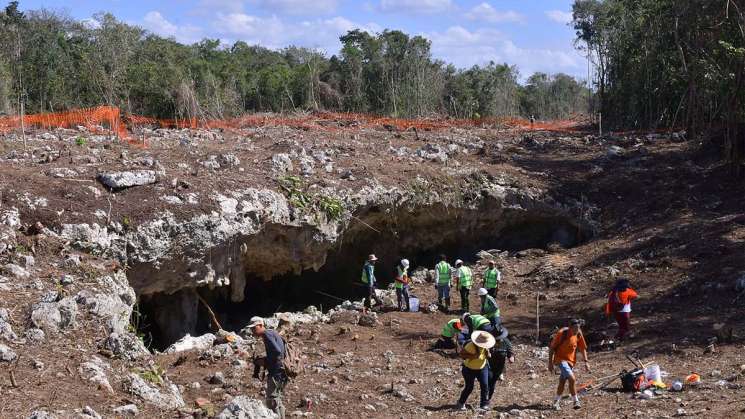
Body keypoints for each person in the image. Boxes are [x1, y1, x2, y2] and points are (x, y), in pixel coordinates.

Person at [248, 316, 287, 418]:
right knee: (277, 400)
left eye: (254, 328)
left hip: (277, 371)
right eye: (251, 329)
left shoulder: (266, 334)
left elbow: (277, 352)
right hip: (282, 370)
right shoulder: (272, 332)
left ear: (261, 325)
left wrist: (265, 361)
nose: (252, 331)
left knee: (272, 400)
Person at [548, 319, 590, 410]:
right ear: (570, 327)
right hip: (560, 359)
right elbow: (552, 348)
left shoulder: (578, 333)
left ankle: (556, 402)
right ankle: (576, 401)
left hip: (571, 361)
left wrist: (586, 362)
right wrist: (550, 363)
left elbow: (582, 348)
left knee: (562, 382)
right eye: (574, 328)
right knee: (572, 378)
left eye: (578, 328)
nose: (576, 330)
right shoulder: (562, 333)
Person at [456, 331, 495, 411]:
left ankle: (484, 404)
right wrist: (473, 356)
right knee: (469, 387)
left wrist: (488, 354)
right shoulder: (470, 346)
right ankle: (461, 402)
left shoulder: (486, 345)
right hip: (469, 369)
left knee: (485, 385)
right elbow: (461, 354)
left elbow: (488, 355)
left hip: (482, 368)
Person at [487, 325, 514, 402]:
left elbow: (510, 353)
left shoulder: (506, 342)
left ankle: (488, 399)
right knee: (486, 382)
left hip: (499, 367)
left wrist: (511, 358)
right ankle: (484, 400)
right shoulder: (488, 341)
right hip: (488, 365)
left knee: (492, 384)